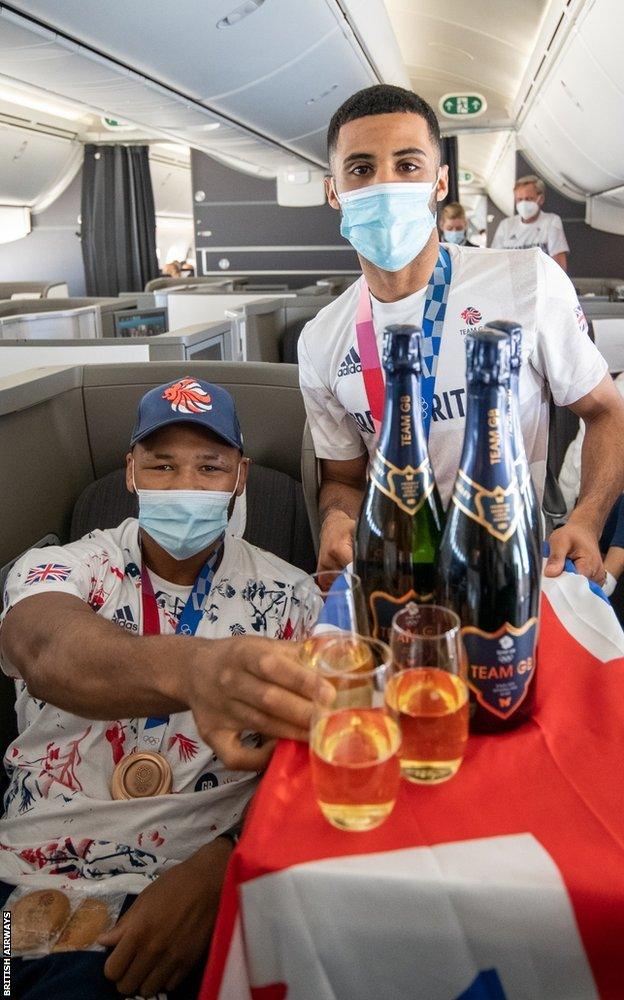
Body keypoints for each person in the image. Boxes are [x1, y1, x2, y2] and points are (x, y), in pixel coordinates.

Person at [0, 377, 327, 999]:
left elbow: (306, 761)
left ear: (240, 478)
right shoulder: (62, 567)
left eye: (209, 468)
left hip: (192, 879)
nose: (185, 487)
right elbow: (45, 648)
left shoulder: (294, 600)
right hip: (30, 874)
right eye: (163, 466)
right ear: (130, 472)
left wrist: (227, 865)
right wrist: (197, 672)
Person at [298, 84, 624, 586]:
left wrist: (587, 519)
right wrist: (337, 519)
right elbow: (341, 477)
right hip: (395, 573)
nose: (385, 184)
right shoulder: (320, 340)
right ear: (333, 192)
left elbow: (606, 412)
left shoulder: (526, 282)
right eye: (361, 169)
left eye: (408, 166)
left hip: (511, 566)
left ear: (440, 181)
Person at [559, 373, 624, 596]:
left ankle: (607, 581)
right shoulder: (608, 392)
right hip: (595, 504)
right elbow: (574, 463)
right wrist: (563, 518)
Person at [491, 174, 569, 271]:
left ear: (541, 199)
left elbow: (559, 263)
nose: (523, 203)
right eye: (520, 199)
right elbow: (495, 259)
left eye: (529, 199)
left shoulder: (551, 221)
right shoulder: (506, 225)